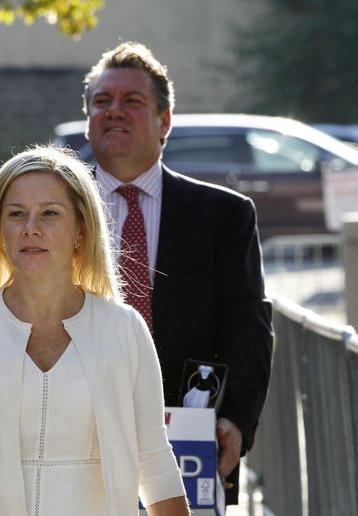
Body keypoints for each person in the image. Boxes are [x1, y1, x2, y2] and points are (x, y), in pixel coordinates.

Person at [0, 146, 190, 516]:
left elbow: (154, 461)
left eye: (50, 213)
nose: (31, 228)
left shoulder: (124, 329)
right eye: (16, 214)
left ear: (81, 228)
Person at [83, 41, 274, 504]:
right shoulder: (55, 208)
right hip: (78, 439)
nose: (115, 112)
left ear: (164, 120)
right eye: (102, 102)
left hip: (187, 444)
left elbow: (247, 326)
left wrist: (236, 422)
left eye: (132, 102)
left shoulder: (223, 215)